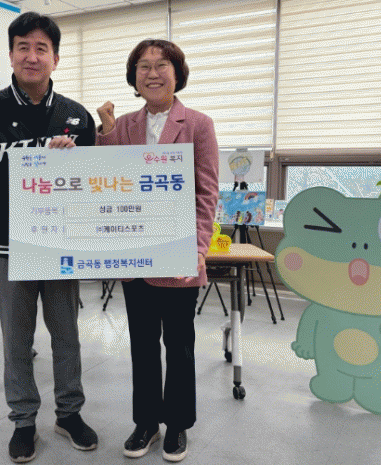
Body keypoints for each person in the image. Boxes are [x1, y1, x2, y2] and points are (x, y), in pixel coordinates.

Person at [0, 12, 98, 463]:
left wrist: (71, 160)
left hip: (60, 245)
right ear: (10, 55)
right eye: (23, 47)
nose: (32, 56)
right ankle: (23, 421)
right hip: (9, 245)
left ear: (55, 58)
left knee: (66, 336)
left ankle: (69, 414)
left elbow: (95, 182)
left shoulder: (75, 116)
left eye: (41, 48)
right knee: (17, 339)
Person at [97, 39, 219, 462]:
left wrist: (198, 247)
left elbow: (206, 191)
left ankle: (178, 424)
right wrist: (106, 130)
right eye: (143, 66)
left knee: (179, 346)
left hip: (178, 253)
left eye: (161, 65)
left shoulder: (198, 124)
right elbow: (106, 178)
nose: (152, 73)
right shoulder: (123, 124)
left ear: (177, 73)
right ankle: (146, 422)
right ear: (133, 77)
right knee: (143, 345)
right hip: (135, 253)